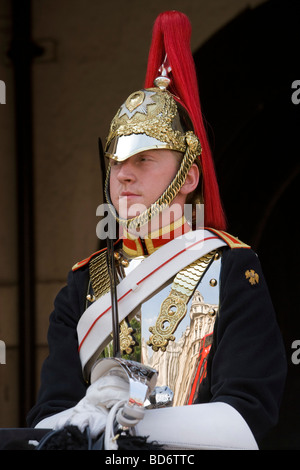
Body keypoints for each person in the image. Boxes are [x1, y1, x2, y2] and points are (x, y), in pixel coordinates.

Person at [27, 11, 287, 450]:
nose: (124, 176)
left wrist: (126, 427)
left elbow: (247, 414)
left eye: (143, 160)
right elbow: (47, 419)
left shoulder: (233, 269)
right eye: (116, 162)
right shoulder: (82, 284)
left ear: (187, 177)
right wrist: (84, 414)